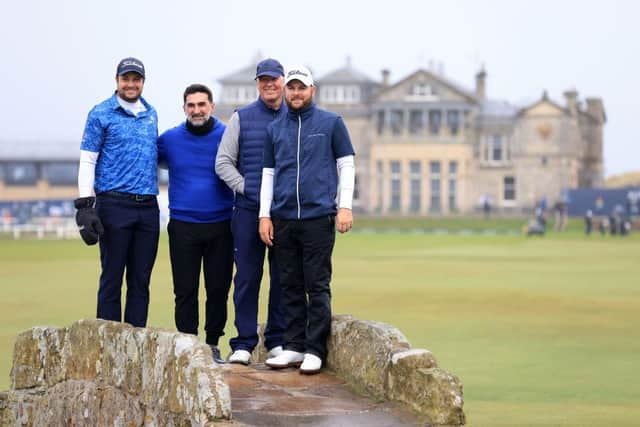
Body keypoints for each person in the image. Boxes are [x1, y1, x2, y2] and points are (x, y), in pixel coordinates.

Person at [259, 66, 355, 374]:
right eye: (291, 88)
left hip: (318, 217)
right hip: (284, 217)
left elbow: (347, 166)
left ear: (312, 90)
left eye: (302, 87)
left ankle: (315, 349)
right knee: (288, 284)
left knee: (316, 285)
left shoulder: (331, 123)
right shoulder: (275, 128)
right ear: (285, 91)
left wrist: (345, 206)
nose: (296, 93)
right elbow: (268, 175)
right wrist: (264, 214)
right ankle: (292, 346)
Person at [74, 57, 159, 328]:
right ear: (117, 81)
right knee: (112, 277)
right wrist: (85, 206)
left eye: (136, 79)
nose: (131, 84)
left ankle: (136, 341)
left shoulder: (151, 112)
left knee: (140, 280)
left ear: (143, 82)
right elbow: (88, 159)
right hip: (114, 204)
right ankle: (109, 346)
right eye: (126, 79)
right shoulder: (100, 113)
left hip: (148, 207)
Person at [215, 58, 288, 365]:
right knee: (247, 277)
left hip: (285, 212)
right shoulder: (241, 118)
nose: (269, 84)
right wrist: (249, 189)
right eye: (263, 80)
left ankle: (277, 341)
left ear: (283, 81)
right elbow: (223, 163)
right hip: (247, 210)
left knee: (283, 278)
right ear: (257, 84)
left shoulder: (297, 116)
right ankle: (244, 342)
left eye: (274, 79)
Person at [158, 84, 234, 364]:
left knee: (217, 288)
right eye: (191, 105)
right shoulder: (169, 139)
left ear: (211, 107)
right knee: (185, 289)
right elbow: (155, 162)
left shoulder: (227, 135)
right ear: (184, 109)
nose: (197, 110)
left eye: (202, 104)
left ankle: (213, 343)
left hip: (222, 225)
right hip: (183, 226)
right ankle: (188, 344)